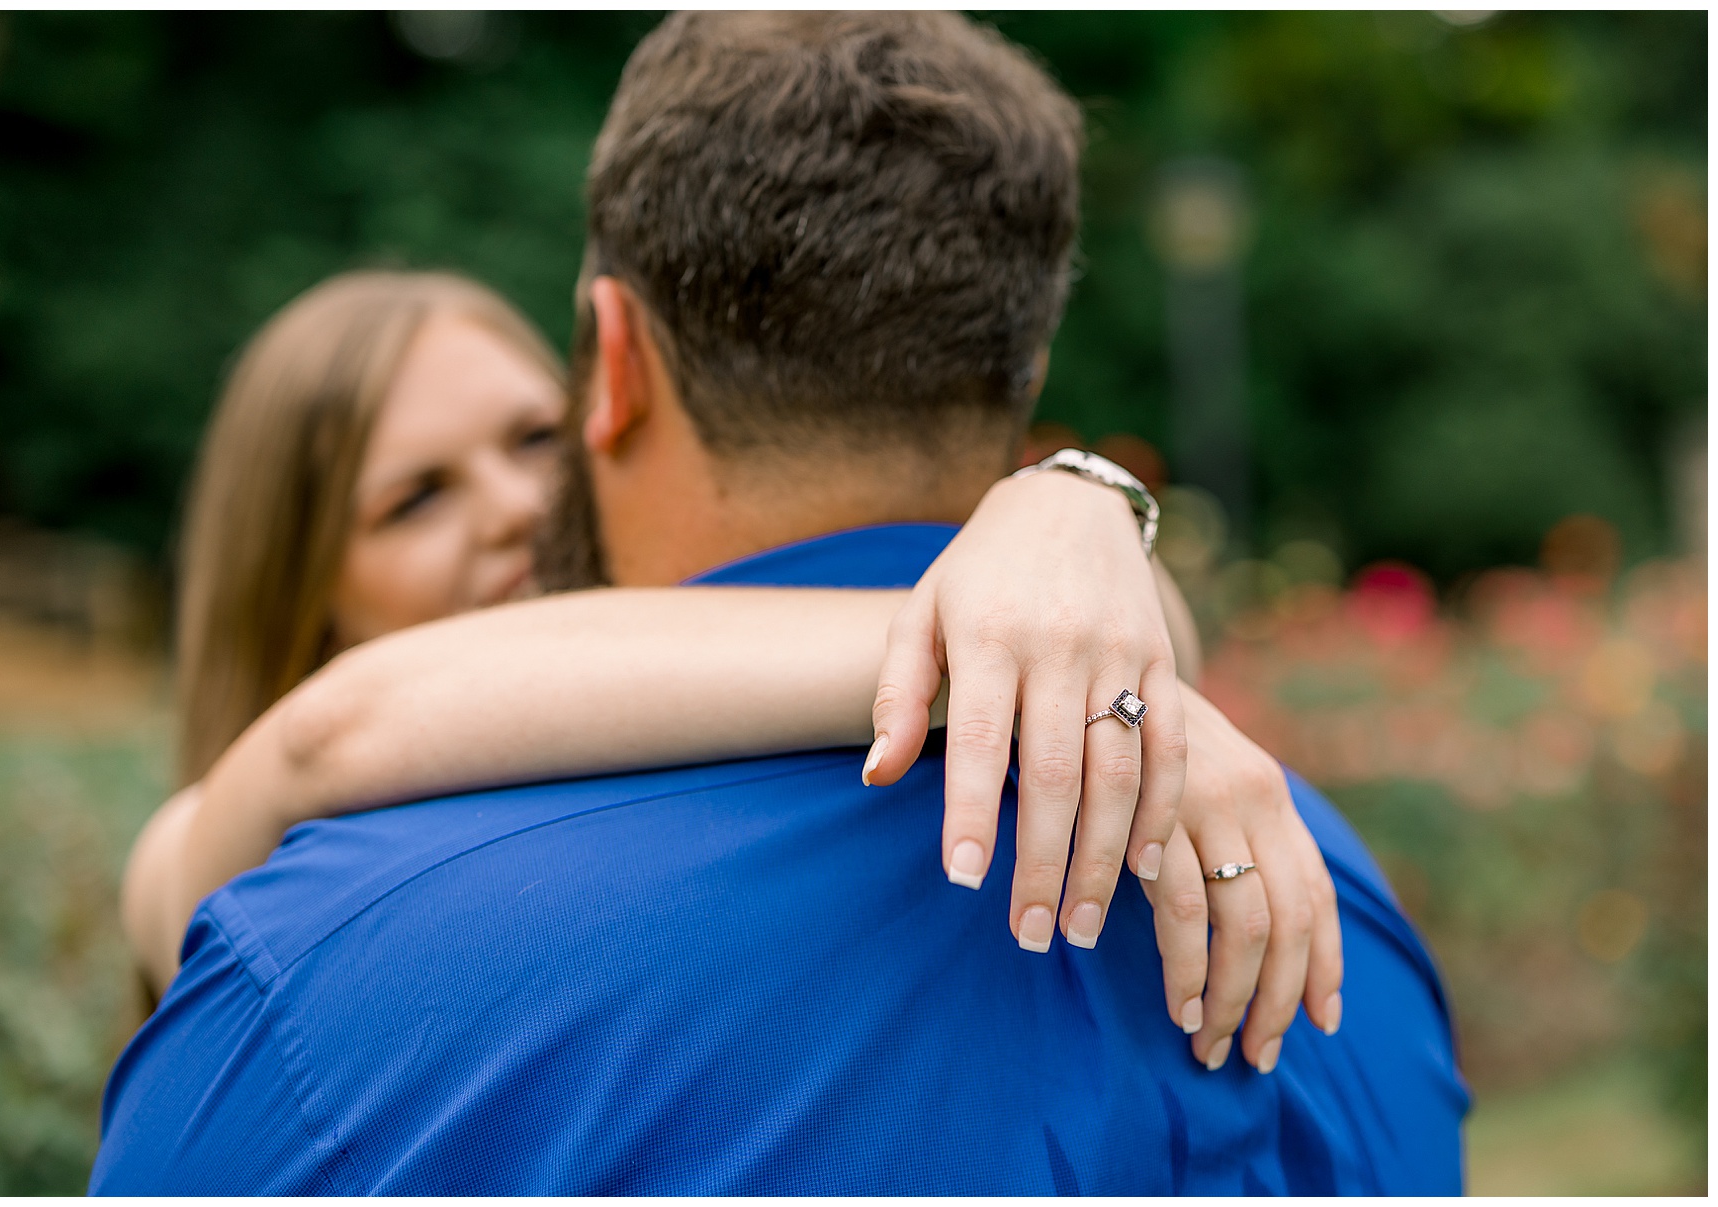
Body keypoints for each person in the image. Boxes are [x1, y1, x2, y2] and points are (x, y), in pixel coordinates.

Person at [93, 12, 1466, 1194]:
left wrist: (1072, 558)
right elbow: (330, 740)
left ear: (607, 372)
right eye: (410, 499)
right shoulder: (1332, 904)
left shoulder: (329, 990)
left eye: (528, 439)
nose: (514, 512)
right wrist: (1066, 565)